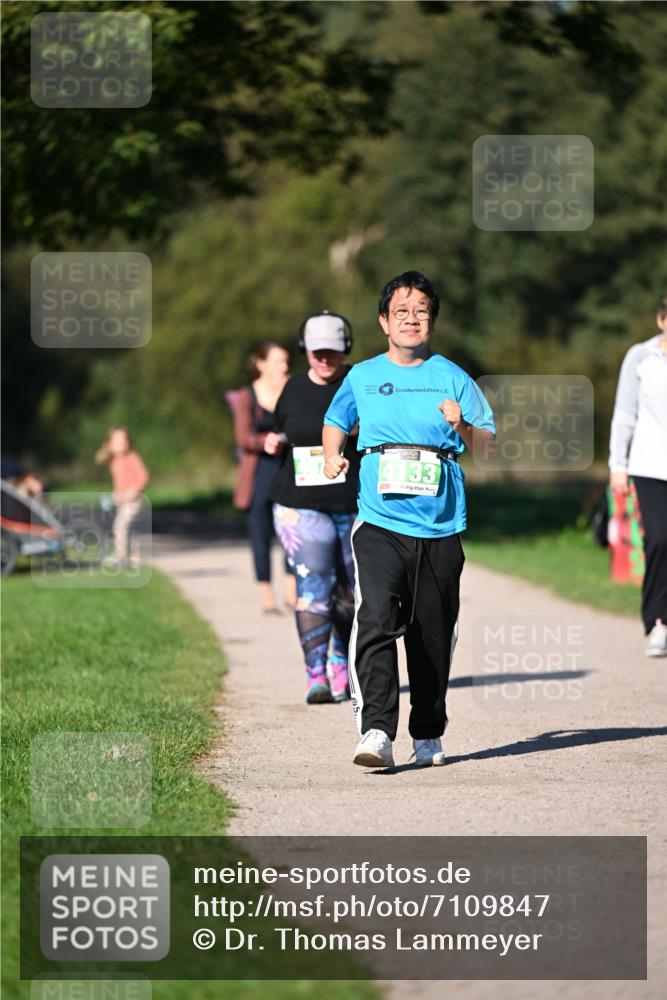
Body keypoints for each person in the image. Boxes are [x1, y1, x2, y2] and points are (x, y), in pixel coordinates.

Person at [323, 271, 495, 768]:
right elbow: (336, 421)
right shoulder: (362, 376)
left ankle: (427, 732)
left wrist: (461, 423)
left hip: (440, 524)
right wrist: (335, 454)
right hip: (378, 520)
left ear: (433, 322)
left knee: (432, 633)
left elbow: (487, 445)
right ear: (383, 321)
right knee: (375, 617)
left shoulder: (454, 377)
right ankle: (377, 730)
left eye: (422, 311)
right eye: (402, 311)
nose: (412, 318)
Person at [267, 312, 360, 704]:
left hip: (354, 503)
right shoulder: (293, 388)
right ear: (305, 350)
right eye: (318, 352)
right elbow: (283, 429)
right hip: (300, 504)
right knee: (313, 582)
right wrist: (274, 441)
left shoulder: (360, 382)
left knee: (348, 590)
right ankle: (315, 674)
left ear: (345, 350)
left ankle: (342, 665)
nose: (326, 359)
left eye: (333, 352)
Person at [609, 296, 667, 657]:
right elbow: (624, 412)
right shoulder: (641, 357)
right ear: (662, 319)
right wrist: (618, 464)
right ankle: (658, 622)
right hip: (651, 465)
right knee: (660, 540)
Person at [230, 342, 296, 614]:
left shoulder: (294, 389)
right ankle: (267, 595)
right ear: (260, 363)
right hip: (258, 471)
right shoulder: (248, 395)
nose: (284, 366)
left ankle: (292, 592)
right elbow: (243, 438)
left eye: (285, 361)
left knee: (292, 530)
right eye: (278, 361)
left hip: (288, 467)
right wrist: (263, 441)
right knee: (260, 532)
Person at [95, 427, 149, 565]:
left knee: (121, 526)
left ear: (128, 442)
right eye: (117, 441)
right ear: (110, 444)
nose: (122, 443)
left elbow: (143, 476)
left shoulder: (132, 457)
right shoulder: (114, 462)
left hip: (134, 501)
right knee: (127, 528)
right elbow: (120, 483)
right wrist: (115, 496)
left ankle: (121, 555)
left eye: (124, 440)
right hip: (123, 501)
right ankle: (133, 557)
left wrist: (133, 491)